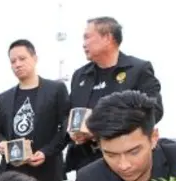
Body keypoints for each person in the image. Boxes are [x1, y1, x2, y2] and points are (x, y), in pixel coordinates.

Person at [66, 17, 163, 172]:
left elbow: (154, 110)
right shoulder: (80, 76)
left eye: (87, 37)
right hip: (87, 162)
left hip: (127, 161)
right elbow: (70, 113)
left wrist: (102, 128)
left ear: (107, 38)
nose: (83, 44)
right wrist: (74, 132)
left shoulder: (138, 69)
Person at [0, 40, 70, 181]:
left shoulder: (55, 89)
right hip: (12, 171)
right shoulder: (5, 97)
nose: (17, 64)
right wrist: (1, 144)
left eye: (22, 58)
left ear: (35, 58)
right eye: (13, 61)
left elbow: (65, 128)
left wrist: (46, 152)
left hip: (43, 169)